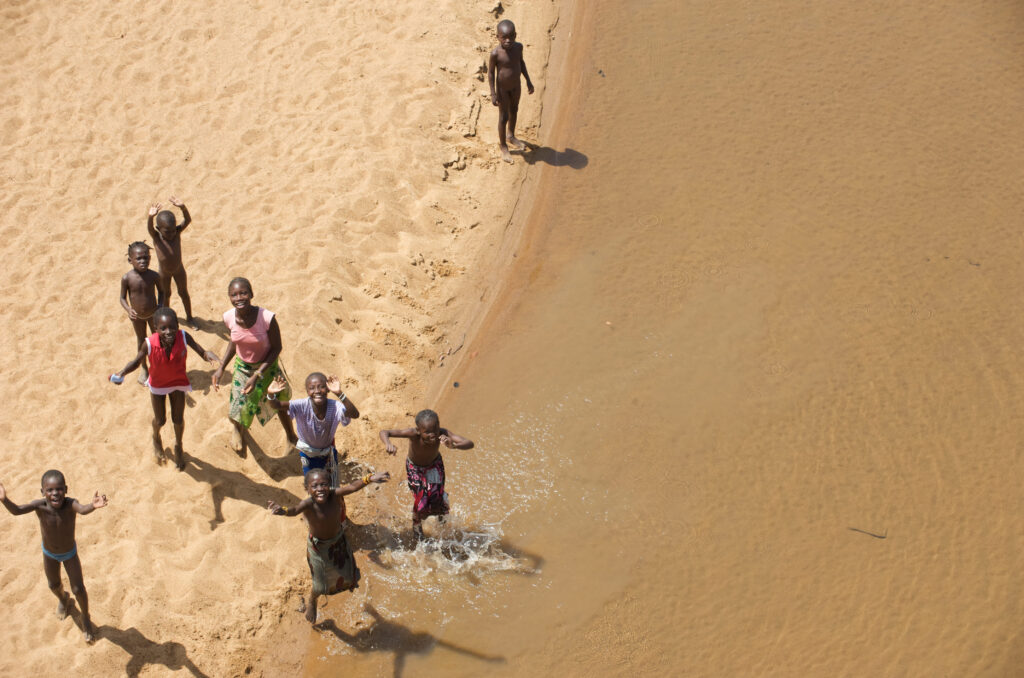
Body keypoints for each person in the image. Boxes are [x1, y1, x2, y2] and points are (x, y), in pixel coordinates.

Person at [267, 467, 390, 624]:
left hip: (338, 542)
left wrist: (369, 478)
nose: (320, 489)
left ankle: (357, 597)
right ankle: (312, 601)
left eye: (323, 484)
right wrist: (282, 510)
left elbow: (352, 487)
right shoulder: (308, 504)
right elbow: (294, 510)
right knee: (319, 584)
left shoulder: (334, 494)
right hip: (318, 548)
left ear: (330, 485)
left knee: (349, 575)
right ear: (307, 489)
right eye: (315, 486)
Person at [0, 470, 108, 642]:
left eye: (59, 489)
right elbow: (17, 511)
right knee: (53, 585)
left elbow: (82, 509)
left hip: (70, 554)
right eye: (49, 490)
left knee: (78, 588)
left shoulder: (71, 504)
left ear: (65, 489)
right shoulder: (39, 506)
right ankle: (63, 599)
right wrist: (4, 499)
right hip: (49, 554)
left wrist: (92, 506)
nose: (55, 493)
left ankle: (86, 618)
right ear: (42, 492)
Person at [112, 307, 221, 469]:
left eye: (172, 327)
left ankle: (178, 445)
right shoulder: (148, 343)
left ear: (178, 325)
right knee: (160, 419)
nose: (168, 331)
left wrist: (207, 355)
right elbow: (136, 362)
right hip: (158, 385)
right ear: (155, 329)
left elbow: (200, 351)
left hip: (178, 382)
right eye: (163, 328)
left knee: (178, 419)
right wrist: (122, 372)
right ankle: (156, 437)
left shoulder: (183, 336)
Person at [212, 277, 296, 455]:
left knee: (279, 401)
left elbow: (277, 347)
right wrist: (221, 367)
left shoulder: (266, 318)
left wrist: (258, 374)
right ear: (229, 298)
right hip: (243, 367)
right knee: (240, 403)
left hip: (267, 366)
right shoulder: (228, 318)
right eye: (234, 295)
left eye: (243, 293)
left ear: (251, 294)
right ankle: (237, 430)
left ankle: (290, 436)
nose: (239, 297)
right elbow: (234, 342)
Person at [379, 410, 474, 540]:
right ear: (418, 430)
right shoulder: (412, 433)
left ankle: (442, 526)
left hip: (434, 466)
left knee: (438, 500)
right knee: (420, 503)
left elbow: (469, 443)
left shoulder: (443, 433)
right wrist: (388, 443)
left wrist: (453, 445)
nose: (433, 435)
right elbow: (384, 432)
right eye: (427, 432)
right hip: (415, 468)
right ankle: (418, 533)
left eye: (435, 429)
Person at [266, 372, 361, 487]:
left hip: (328, 452)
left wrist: (340, 393)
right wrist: (271, 394)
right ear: (307, 391)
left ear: (328, 389)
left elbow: (354, 414)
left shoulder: (335, 406)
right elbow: (277, 405)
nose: (317, 391)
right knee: (313, 484)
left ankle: (336, 503)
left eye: (321, 387)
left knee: (333, 485)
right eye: (312, 388)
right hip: (307, 453)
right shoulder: (301, 405)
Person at [146, 197, 198, 330]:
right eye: (167, 232)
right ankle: (167, 320)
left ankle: (190, 318)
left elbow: (187, 220)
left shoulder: (177, 233)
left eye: (174, 230)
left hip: (179, 270)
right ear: (159, 229)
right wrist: (150, 217)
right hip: (163, 273)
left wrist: (183, 207)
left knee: (183, 293)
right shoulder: (157, 237)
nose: (171, 234)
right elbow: (150, 229)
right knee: (166, 295)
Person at [488, 19, 534, 163]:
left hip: (516, 86)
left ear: (515, 35)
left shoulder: (518, 47)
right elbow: (490, 73)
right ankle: (503, 146)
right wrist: (493, 93)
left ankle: (511, 136)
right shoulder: (495, 53)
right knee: (503, 117)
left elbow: (521, 63)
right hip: (502, 89)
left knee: (514, 110)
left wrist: (528, 80)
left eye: (511, 36)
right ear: (498, 37)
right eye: (504, 37)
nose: (508, 40)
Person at [119, 241, 164, 385]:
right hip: (137, 317)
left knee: (158, 339)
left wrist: (160, 306)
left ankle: (160, 365)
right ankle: (144, 367)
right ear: (130, 260)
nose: (143, 261)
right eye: (138, 259)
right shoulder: (127, 278)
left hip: (153, 315)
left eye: (146, 257)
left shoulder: (154, 276)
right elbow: (122, 298)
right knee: (141, 340)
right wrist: (128, 309)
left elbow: (162, 292)